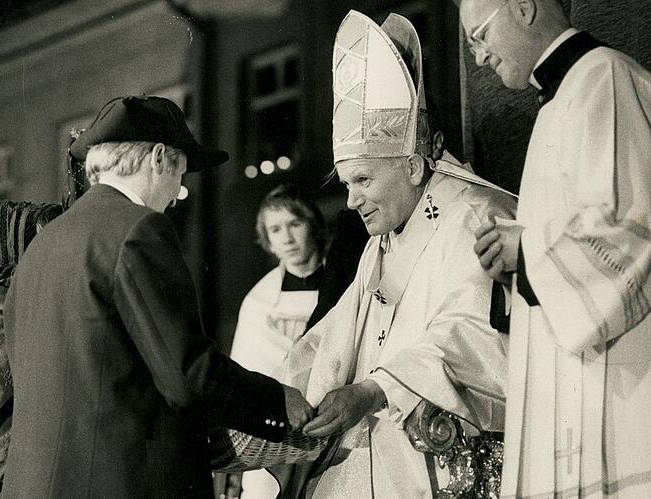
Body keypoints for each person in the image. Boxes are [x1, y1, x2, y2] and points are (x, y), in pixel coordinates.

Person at [1, 96, 313, 499]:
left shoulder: (42, 248)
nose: (180, 191)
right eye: (181, 172)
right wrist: (278, 400)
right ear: (160, 158)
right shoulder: (138, 229)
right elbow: (186, 375)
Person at [277, 11, 516, 498]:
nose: (350, 200)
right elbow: (331, 340)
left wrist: (371, 391)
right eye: (346, 185)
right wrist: (269, 399)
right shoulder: (381, 241)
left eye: (362, 180)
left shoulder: (476, 215)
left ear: (411, 166)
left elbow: (475, 336)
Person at [462, 1, 651, 496]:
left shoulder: (604, 79)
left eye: (480, 36)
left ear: (524, 8)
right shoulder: (559, 103)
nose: (478, 57)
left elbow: (627, 234)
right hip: (574, 382)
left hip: (619, 389)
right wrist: (514, 267)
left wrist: (525, 253)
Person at [229, 184, 325, 498]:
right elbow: (251, 373)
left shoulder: (345, 284)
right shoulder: (259, 302)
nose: (287, 237)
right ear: (267, 239)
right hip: (282, 435)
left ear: (312, 223)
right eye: (275, 229)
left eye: (295, 224)